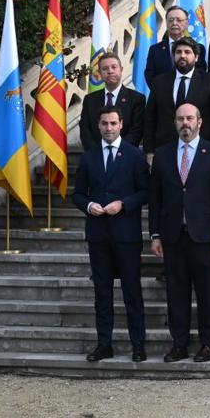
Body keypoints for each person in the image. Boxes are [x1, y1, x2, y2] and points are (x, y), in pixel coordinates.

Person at [149, 103, 210, 363]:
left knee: (208, 293)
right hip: (173, 236)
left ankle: (207, 344)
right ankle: (179, 343)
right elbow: (155, 199)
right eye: (181, 119)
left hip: (206, 237)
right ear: (175, 122)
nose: (185, 123)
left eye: (190, 118)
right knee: (176, 294)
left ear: (199, 122)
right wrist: (154, 235)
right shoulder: (162, 155)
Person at [72, 105, 150, 363]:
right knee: (102, 292)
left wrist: (124, 204)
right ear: (99, 126)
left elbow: (145, 192)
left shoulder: (134, 155)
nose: (108, 128)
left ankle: (138, 344)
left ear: (121, 124)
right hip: (98, 235)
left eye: (113, 123)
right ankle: (104, 343)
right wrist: (88, 205)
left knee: (132, 291)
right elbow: (78, 193)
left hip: (126, 234)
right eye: (104, 123)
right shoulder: (89, 156)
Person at [144, 38, 210, 156]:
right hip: (165, 151)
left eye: (187, 52)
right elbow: (150, 119)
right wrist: (149, 151)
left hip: (202, 151)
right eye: (178, 52)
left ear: (196, 57)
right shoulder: (159, 82)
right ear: (173, 57)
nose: (182, 55)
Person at [79, 52, 144, 151]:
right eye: (105, 69)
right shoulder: (90, 100)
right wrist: (97, 153)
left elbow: (136, 130)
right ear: (99, 74)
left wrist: (117, 152)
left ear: (121, 69)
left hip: (125, 156)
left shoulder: (136, 99)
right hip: (96, 157)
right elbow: (85, 130)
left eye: (114, 67)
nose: (110, 71)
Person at [143, 5, 205, 90]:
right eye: (171, 20)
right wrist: (161, 93)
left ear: (187, 23)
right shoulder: (155, 50)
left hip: (190, 98)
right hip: (162, 98)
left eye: (179, 20)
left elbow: (201, 74)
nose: (174, 23)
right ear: (166, 23)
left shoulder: (198, 48)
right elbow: (150, 75)